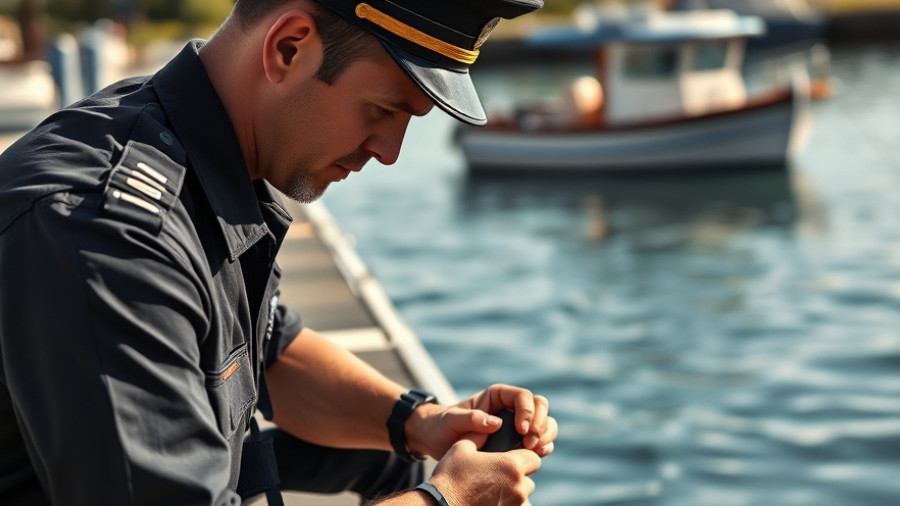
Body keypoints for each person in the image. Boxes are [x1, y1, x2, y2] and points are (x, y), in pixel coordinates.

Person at [0, 0, 557, 505]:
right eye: (383, 111)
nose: (389, 152)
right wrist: (447, 500)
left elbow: (267, 352)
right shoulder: (110, 236)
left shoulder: (195, 149)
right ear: (288, 47)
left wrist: (423, 422)